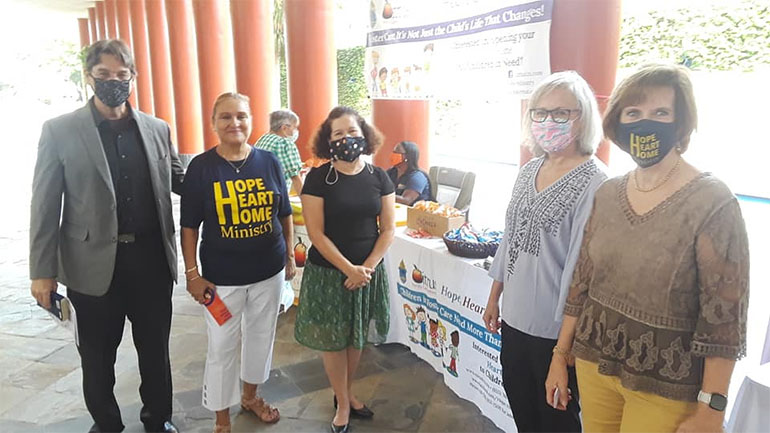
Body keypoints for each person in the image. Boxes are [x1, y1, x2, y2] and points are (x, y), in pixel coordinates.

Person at [545, 64, 749, 433]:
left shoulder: (713, 202)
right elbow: (582, 281)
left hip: (665, 385)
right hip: (594, 365)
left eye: (660, 113)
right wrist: (560, 354)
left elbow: (724, 319)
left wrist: (712, 409)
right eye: (633, 113)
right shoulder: (608, 193)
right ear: (618, 123)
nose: (645, 123)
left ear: (680, 122)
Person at [29, 39, 184, 433]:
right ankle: (106, 424)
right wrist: (42, 271)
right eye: (103, 75)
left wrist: (237, 164)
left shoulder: (157, 128)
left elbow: (183, 180)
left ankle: (158, 420)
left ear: (133, 77)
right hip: (91, 268)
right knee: (97, 357)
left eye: (121, 75)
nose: (113, 82)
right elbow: (44, 205)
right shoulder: (60, 131)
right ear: (89, 77)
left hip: (151, 262)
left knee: (155, 352)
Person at [482, 70, 607, 433]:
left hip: (555, 332)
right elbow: (510, 238)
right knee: (523, 410)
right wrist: (494, 297)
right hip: (515, 320)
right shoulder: (530, 169)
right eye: (540, 113)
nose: (548, 122)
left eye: (561, 113)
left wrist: (561, 353)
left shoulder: (597, 181)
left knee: (555, 421)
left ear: (582, 118)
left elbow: (580, 273)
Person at [180, 93, 295, 433]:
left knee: (261, 336)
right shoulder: (201, 168)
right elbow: (189, 226)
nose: (235, 124)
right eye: (226, 117)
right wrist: (192, 275)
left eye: (241, 116)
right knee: (221, 345)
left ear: (251, 120)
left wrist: (289, 256)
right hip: (221, 280)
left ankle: (251, 397)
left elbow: (284, 213)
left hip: (268, 273)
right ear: (214, 123)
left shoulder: (269, 161)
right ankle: (221, 417)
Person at [293, 106, 395, 433]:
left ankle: (346, 395)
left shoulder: (379, 177)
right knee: (334, 341)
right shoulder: (318, 179)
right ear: (328, 140)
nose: (346, 139)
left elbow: (388, 229)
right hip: (329, 273)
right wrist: (348, 268)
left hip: (365, 274)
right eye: (338, 134)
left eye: (352, 132)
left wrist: (365, 268)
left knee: (355, 337)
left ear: (364, 135)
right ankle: (341, 401)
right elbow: (316, 234)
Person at [255, 109, 304, 195]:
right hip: (277, 195)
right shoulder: (284, 143)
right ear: (284, 128)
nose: (296, 131)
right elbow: (295, 177)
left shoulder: (263, 138)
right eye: (294, 127)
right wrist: (306, 203)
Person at [386, 141, 432, 205]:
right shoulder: (391, 172)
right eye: (393, 152)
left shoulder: (417, 177)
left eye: (397, 152)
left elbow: (406, 200)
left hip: (414, 213)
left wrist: (382, 196)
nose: (393, 155)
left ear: (407, 156)